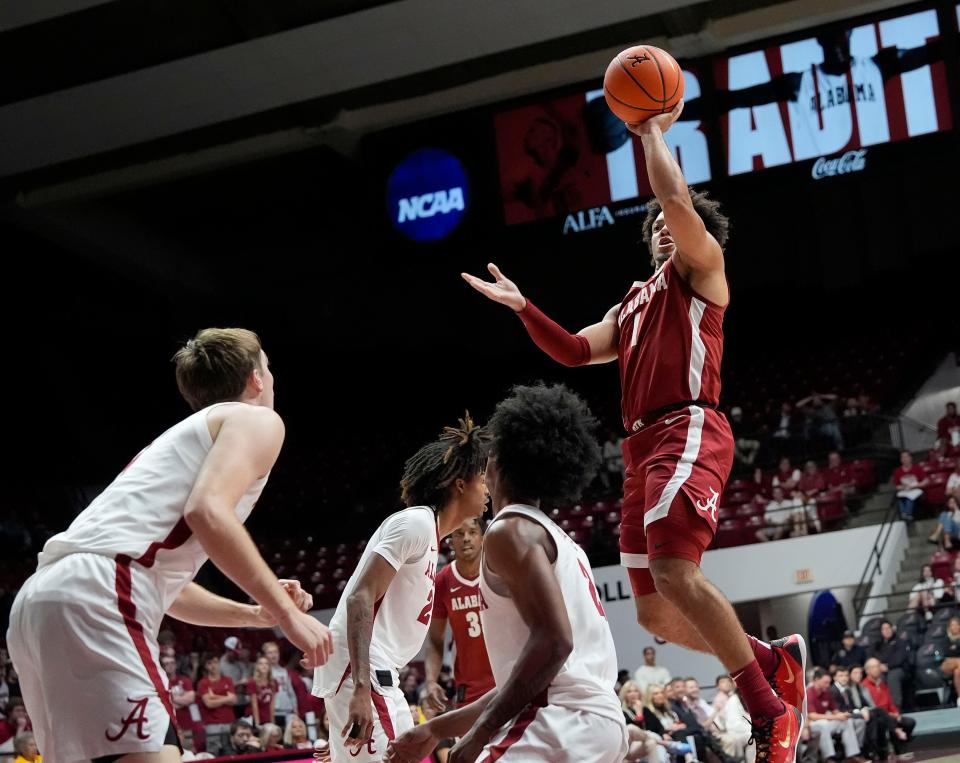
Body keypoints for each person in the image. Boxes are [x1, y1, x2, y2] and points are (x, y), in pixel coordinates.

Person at [463, 101, 803, 761]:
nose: (668, 231)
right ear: (647, 239)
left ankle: (770, 711)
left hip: (689, 424)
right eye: (658, 228)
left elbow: (674, 198)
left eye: (678, 224)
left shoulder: (704, 275)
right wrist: (523, 306)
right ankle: (771, 658)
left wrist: (649, 132)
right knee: (653, 611)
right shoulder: (633, 302)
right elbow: (570, 351)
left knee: (677, 570)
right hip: (641, 445)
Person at [6, 328, 331, 763]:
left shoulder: (175, 443)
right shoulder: (258, 419)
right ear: (256, 378)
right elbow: (207, 511)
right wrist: (290, 616)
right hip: (101, 589)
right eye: (269, 368)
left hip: (42, 600)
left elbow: (167, 588)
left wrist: (256, 615)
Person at [386, 384, 628, 763]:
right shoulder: (558, 538)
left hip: (558, 720)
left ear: (498, 460)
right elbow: (524, 677)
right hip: (595, 722)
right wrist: (437, 727)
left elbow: (554, 642)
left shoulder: (508, 531)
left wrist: (481, 733)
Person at [312, 415, 489, 763]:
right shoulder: (416, 523)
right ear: (460, 484)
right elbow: (360, 596)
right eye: (481, 479)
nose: (487, 489)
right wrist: (361, 689)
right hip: (365, 670)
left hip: (376, 671)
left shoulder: (430, 537)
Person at [424, 517, 495, 712]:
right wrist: (431, 681)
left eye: (472, 532)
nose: (466, 538)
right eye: (459, 534)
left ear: (482, 538)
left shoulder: (499, 571)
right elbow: (436, 641)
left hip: (506, 679)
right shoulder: (442, 581)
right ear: (450, 540)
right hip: (469, 688)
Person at [805, 669, 864, 762]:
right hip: (810, 725)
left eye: (829, 682)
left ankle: (852, 755)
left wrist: (844, 715)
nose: (828, 685)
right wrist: (835, 717)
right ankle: (829, 758)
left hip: (825, 722)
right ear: (816, 680)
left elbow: (835, 711)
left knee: (846, 721)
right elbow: (812, 716)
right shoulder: (809, 692)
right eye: (825, 682)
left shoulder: (827, 693)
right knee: (823, 724)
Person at [861, 659, 915, 751]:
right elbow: (873, 707)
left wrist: (896, 713)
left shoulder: (882, 684)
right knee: (888, 721)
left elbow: (890, 703)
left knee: (909, 722)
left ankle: (901, 744)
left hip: (890, 714)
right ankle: (895, 748)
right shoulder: (864, 686)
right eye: (873, 667)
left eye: (878, 666)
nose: (877, 669)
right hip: (878, 716)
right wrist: (889, 715)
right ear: (867, 670)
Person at [197, 653, 237, 755]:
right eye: (209, 663)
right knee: (212, 752)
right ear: (206, 666)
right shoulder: (203, 683)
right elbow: (209, 704)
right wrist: (227, 698)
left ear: (219, 663)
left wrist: (214, 696)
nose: (213, 665)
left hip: (229, 722)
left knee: (230, 751)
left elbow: (234, 701)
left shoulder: (228, 680)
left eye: (215, 662)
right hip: (212, 724)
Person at [868, 622, 908, 709]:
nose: (886, 630)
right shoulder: (878, 644)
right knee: (877, 677)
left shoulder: (900, 642)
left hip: (898, 669)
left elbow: (900, 658)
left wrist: (888, 666)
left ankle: (896, 707)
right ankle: (881, 706)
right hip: (881, 669)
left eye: (888, 628)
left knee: (892, 677)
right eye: (884, 629)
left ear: (892, 629)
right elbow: (873, 657)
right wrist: (879, 667)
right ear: (881, 631)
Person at [892, 451, 927, 522]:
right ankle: (905, 515)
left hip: (916, 490)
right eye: (902, 457)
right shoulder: (897, 471)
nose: (905, 459)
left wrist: (914, 486)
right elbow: (896, 486)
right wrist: (903, 487)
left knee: (910, 497)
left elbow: (925, 481)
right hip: (904, 490)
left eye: (906, 457)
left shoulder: (917, 468)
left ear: (910, 458)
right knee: (898, 497)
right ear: (900, 460)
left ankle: (907, 514)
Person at [247, 655, 278, 727]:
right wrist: (258, 723)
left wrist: (273, 721)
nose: (264, 666)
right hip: (254, 717)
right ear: (257, 666)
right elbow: (254, 704)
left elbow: (272, 704)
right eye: (261, 664)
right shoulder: (252, 682)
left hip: (267, 716)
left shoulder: (273, 682)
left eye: (266, 663)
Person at [941, 616, 960, 708]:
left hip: (957, 665)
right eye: (952, 625)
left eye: (957, 625)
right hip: (947, 663)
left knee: (958, 671)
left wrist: (954, 649)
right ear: (949, 627)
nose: (955, 627)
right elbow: (946, 652)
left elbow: (953, 651)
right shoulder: (945, 639)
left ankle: (959, 697)